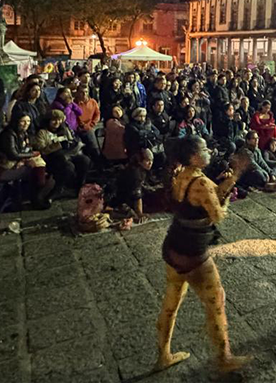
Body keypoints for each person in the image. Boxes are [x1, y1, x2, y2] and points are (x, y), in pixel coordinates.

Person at [154, 136, 251, 375]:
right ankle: (223, 358)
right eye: (205, 149)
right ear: (195, 157)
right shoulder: (202, 183)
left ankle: (164, 355)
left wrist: (230, 181)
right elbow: (217, 215)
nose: (210, 151)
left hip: (173, 245)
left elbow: (207, 197)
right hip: (192, 253)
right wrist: (228, 192)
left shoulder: (182, 174)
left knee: (171, 303)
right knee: (216, 301)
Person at [0, 114, 52, 210]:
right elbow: (13, 154)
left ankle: (36, 197)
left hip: (16, 163)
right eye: (23, 121)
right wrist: (31, 155)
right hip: (2, 168)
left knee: (38, 166)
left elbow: (24, 150)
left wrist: (25, 159)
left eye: (28, 121)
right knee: (34, 169)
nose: (26, 124)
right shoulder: (9, 134)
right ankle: (35, 199)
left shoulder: (23, 133)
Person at [33, 110, 90, 198]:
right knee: (68, 167)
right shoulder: (42, 133)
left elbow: (71, 139)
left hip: (68, 154)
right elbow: (42, 150)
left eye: (59, 120)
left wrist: (72, 144)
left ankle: (79, 186)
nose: (57, 122)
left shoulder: (64, 129)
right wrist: (58, 145)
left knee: (84, 160)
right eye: (54, 120)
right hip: (53, 157)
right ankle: (59, 188)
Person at [110, 149, 163, 221]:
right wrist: (140, 213)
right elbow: (137, 194)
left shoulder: (141, 169)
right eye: (147, 161)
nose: (150, 163)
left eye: (152, 160)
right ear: (140, 161)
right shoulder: (135, 173)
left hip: (132, 194)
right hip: (125, 199)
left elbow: (148, 183)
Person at [75, 86, 102, 163]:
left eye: (86, 92)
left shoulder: (93, 102)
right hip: (78, 128)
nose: (84, 94)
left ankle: (98, 164)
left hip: (89, 127)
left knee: (93, 145)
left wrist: (92, 124)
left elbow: (97, 114)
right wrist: (80, 125)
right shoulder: (74, 103)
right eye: (82, 92)